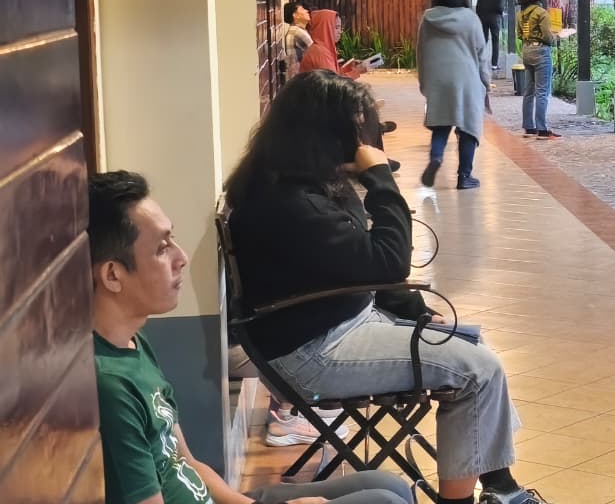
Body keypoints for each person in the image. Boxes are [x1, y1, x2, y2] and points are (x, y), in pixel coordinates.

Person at [224, 71, 544, 504]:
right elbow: (389, 262)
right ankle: (479, 497)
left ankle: (500, 487)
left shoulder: (295, 185)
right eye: (355, 128)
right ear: (324, 132)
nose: (361, 140)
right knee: (478, 370)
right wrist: (379, 177)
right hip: (315, 352)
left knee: (470, 343)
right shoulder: (290, 204)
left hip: (335, 325)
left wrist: (415, 311)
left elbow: (361, 269)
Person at [89, 169, 412, 504]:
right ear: (113, 275)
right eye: (161, 248)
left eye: (173, 240)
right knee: (385, 502)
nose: (181, 257)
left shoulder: (134, 342)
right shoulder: (111, 387)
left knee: (389, 487)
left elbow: (187, 463)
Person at [300, 9, 400, 171]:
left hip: (323, 103)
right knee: (366, 110)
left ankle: (375, 155)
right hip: (321, 108)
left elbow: (333, 77)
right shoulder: (320, 53)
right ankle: (375, 160)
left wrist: (348, 69)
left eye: (340, 27)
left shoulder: (323, 49)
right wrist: (356, 72)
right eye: (336, 27)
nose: (339, 31)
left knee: (366, 110)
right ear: (325, 27)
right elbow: (333, 85)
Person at [417, 0, 490, 190]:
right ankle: (464, 176)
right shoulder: (471, 18)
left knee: (441, 124)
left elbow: (421, 51)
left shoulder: (428, 18)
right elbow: (482, 54)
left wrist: (424, 82)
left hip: (438, 79)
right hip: (467, 79)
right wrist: (486, 83)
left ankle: (436, 157)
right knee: (468, 127)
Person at [516, 0, 561, 140]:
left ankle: (529, 127)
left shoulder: (521, 15)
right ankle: (542, 129)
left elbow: (520, 34)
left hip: (527, 50)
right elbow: (547, 36)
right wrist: (555, 37)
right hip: (541, 51)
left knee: (528, 92)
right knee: (542, 91)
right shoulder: (541, 13)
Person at [476, 0, 506, 71]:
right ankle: (494, 65)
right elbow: (500, 8)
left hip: (482, 18)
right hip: (494, 19)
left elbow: (478, 6)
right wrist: (502, 13)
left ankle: (479, 62)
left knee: (483, 40)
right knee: (495, 40)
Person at [280, 1, 314, 80]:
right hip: (300, 79)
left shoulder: (296, 30)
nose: (307, 11)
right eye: (302, 9)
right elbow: (316, 54)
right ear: (295, 15)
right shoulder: (298, 32)